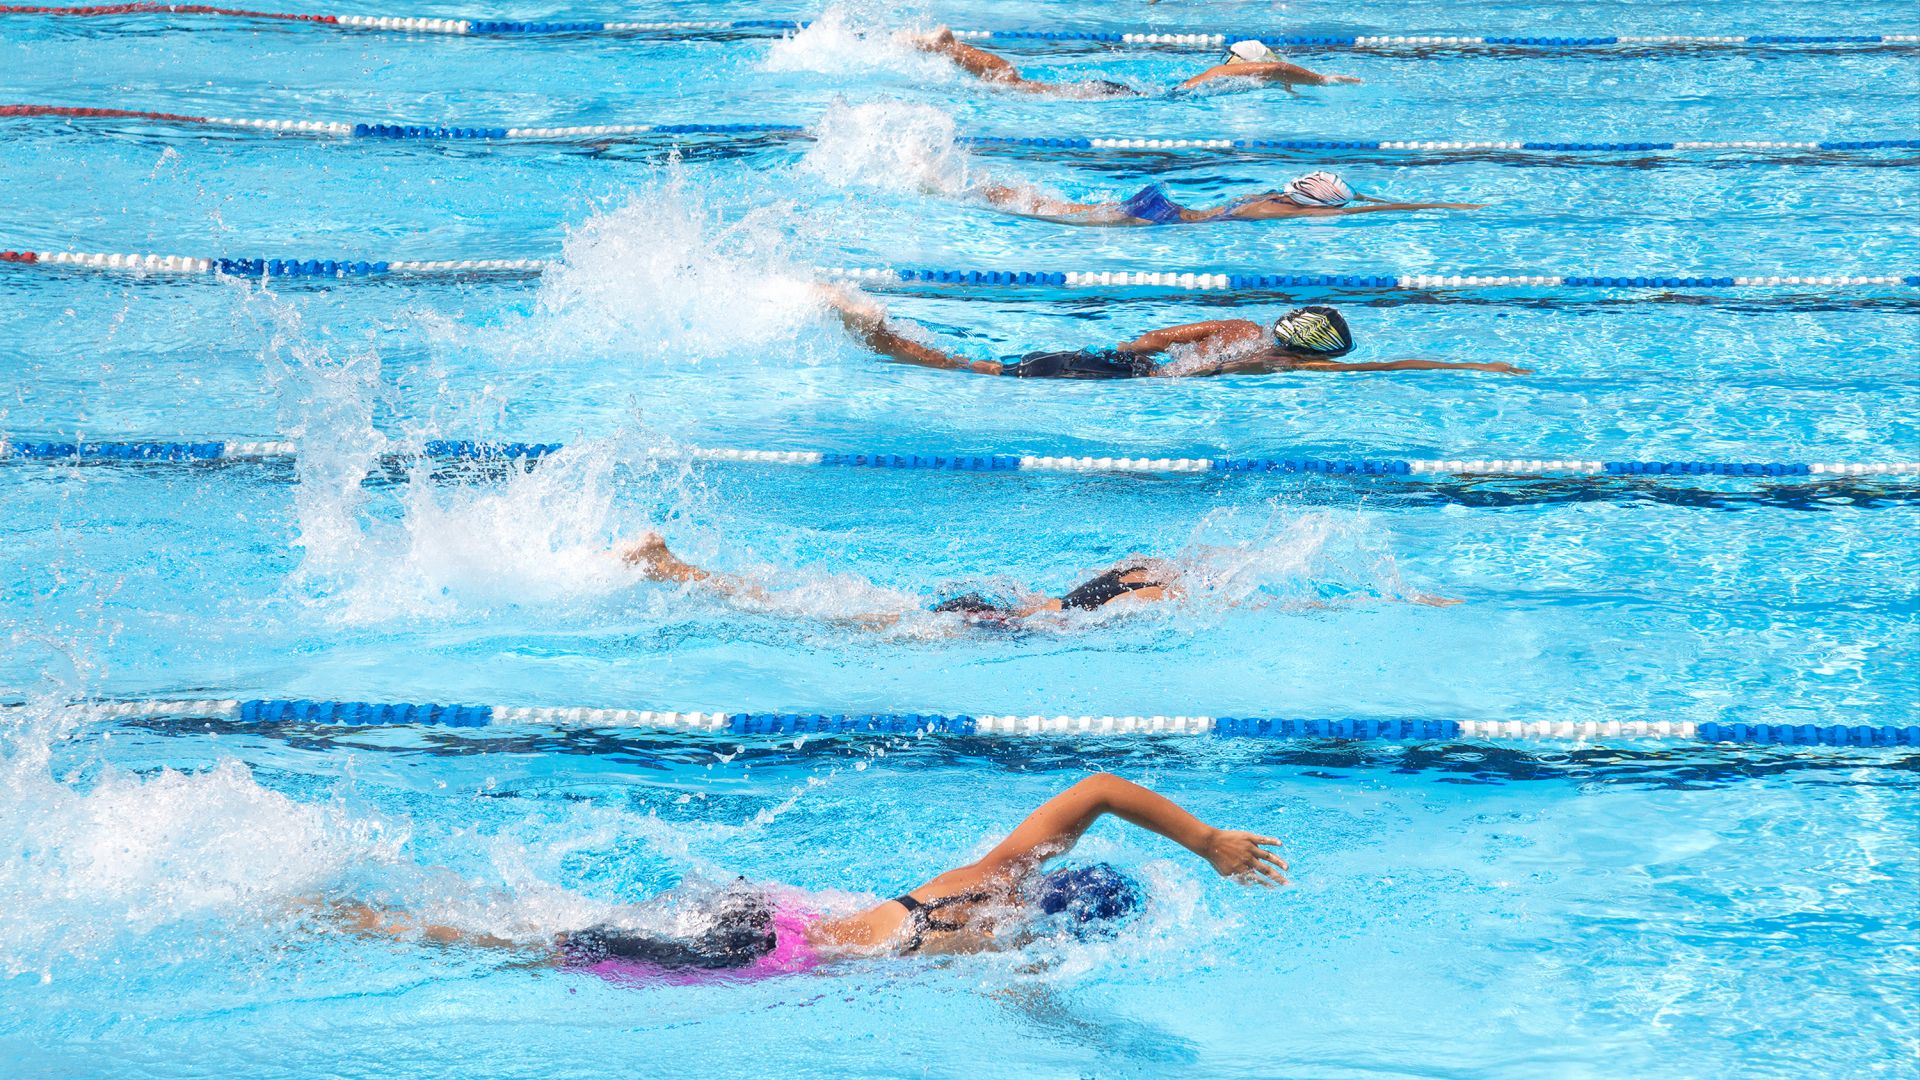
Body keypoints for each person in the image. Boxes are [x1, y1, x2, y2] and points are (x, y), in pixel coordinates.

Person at [320, 773, 1287, 979]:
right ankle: (357, 921)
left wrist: (1205, 840)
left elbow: (1101, 786)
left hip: (766, 909)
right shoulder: (1017, 943)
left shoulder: (996, 874)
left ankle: (373, 906)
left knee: (547, 920)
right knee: (527, 948)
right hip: (757, 951)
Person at [616, 532, 1460, 627]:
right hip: (1000, 626)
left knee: (829, 608)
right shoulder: (1166, 598)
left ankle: (682, 569)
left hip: (1003, 606)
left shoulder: (1150, 566)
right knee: (831, 622)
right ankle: (679, 573)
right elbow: (1268, 601)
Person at [816, 285, 1533, 378]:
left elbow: (1156, 333)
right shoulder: (1277, 363)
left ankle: (880, 332)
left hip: (1108, 358)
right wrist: (1468, 365)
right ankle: (878, 337)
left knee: (989, 363)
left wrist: (1128, 355)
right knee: (972, 372)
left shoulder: (1238, 324)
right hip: (1120, 379)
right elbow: (1381, 369)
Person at [907, 27, 1358, 97]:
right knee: (1017, 86)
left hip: (1132, 98)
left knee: (1018, 85)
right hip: (1123, 100)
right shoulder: (1225, 73)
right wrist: (1322, 78)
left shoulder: (1226, 76)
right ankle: (949, 47)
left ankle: (949, 48)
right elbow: (1272, 69)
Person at [978, 169, 1485, 228]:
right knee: (1066, 222)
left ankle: (1001, 190)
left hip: (1166, 205)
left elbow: (1354, 199)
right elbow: (1359, 208)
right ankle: (1002, 198)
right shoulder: (1276, 211)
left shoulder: (1272, 195)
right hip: (1169, 221)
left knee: (1072, 210)